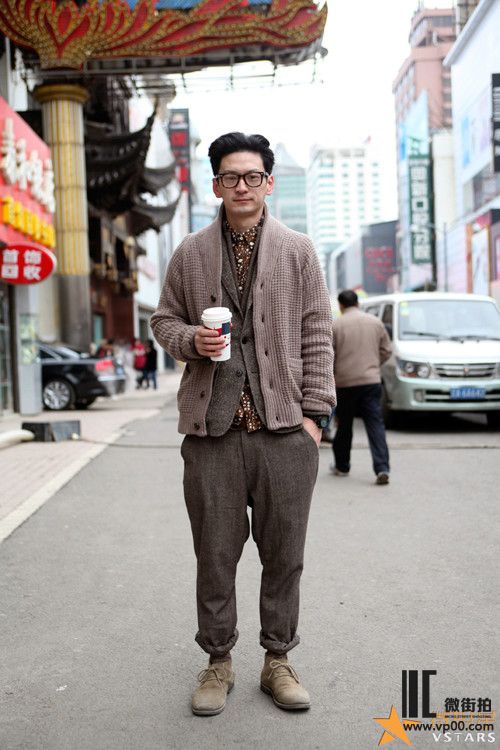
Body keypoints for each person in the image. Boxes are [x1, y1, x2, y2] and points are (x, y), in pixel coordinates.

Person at [151, 132, 335, 717]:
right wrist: (192, 341)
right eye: (230, 177)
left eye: (253, 176)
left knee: (284, 554)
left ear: (268, 182)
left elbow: (316, 332)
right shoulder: (190, 254)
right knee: (214, 553)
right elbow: (163, 320)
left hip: (285, 433)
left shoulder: (298, 251)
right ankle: (218, 661)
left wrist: (314, 419)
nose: (242, 186)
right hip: (213, 433)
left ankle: (278, 659)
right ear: (216, 185)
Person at [331, 289, 392, 485]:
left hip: (345, 383)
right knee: (375, 424)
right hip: (371, 382)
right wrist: (373, 365)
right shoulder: (375, 322)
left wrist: (336, 374)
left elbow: (329, 355)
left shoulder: (336, 325)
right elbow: (386, 350)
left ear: (341, 305)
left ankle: (342, 466)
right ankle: (382, 467)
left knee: (344, 425)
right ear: (357, 303)